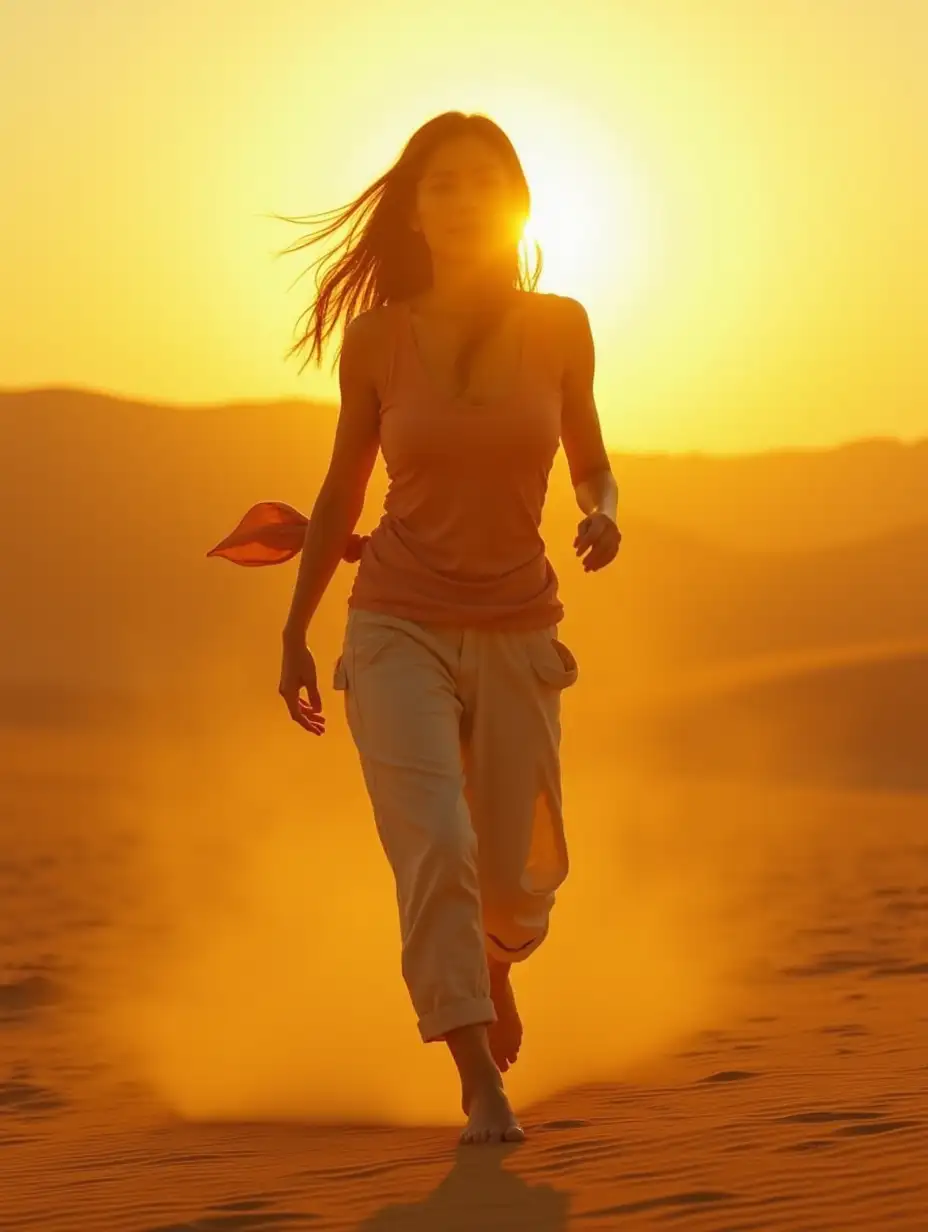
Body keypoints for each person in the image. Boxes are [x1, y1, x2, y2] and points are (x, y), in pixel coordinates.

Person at [207, 111, 621, 1145]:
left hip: (519, 622)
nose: (463, 198)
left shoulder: (562, 324)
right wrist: (297, 628)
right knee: (433, 840)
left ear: (516, 200)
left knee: (522, 880)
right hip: (395, 621)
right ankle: (478, 1076)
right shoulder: (378, 339)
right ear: (416, 210)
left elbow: (592, 457)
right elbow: (343, 486)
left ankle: (492, 959)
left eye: (485, 181)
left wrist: (603, 510)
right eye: (441, 184)